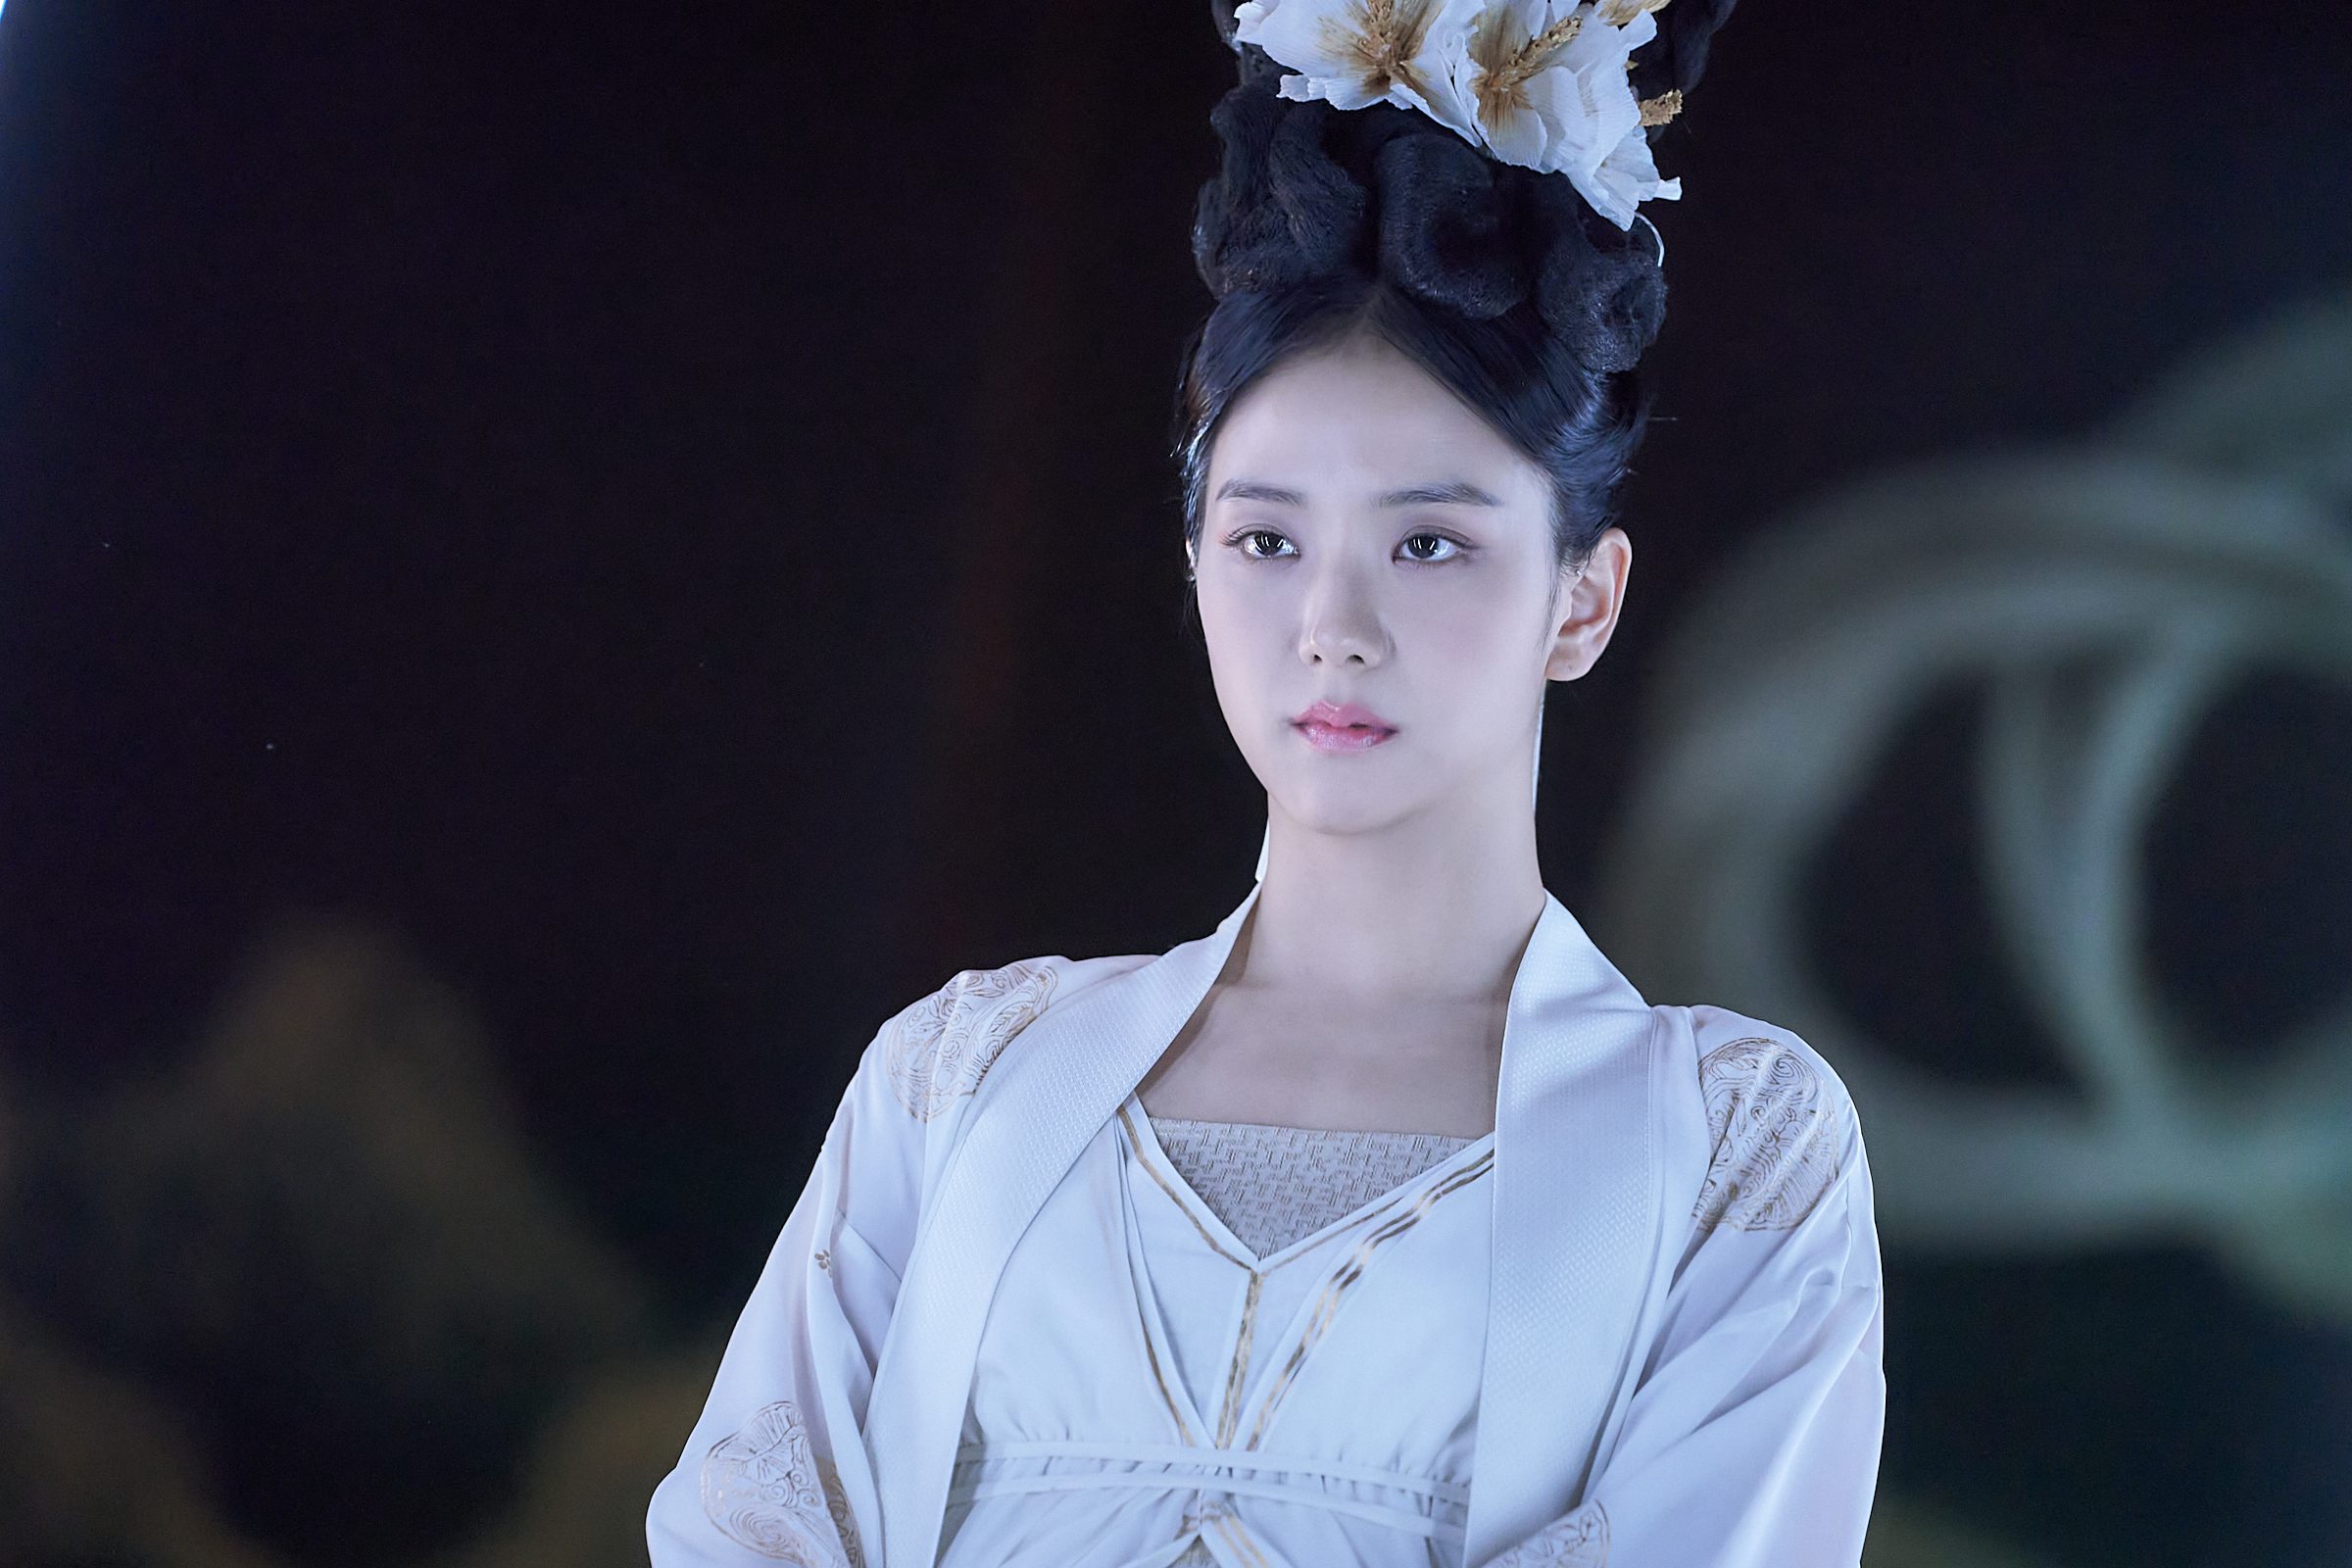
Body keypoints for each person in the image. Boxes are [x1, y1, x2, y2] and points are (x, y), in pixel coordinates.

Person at [647, 1, 1885, 1564]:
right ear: (1194, 563)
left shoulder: (1727, 1143)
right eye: (1266, 538)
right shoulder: (962, 1077)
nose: (1331, 627)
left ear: (1584, 600)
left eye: (1428, 542)